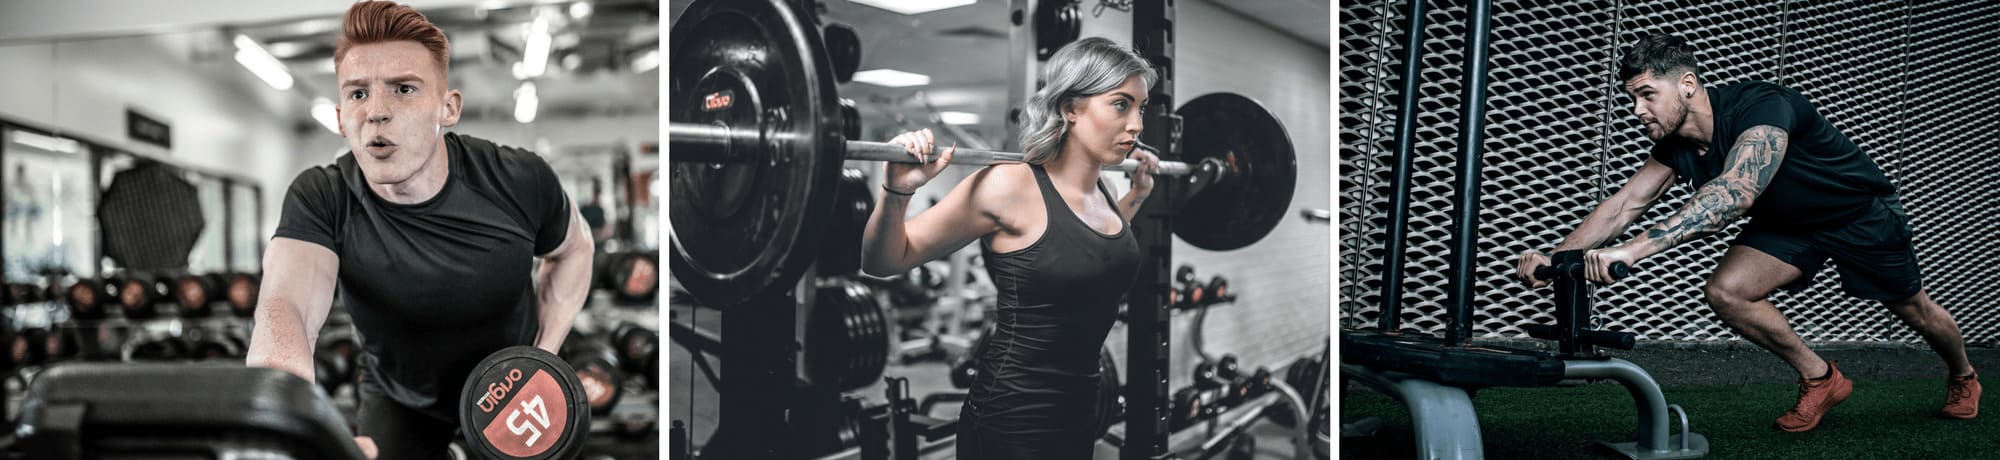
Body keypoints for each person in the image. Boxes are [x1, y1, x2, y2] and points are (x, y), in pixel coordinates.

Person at [1515, 33, 1979, 432]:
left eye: (1647, 94)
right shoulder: (1675, 145)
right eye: (1632, 98)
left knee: (1914, 310)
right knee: (1728, 291)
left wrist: (1634, 251)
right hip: (1790, 223)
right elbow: (1623, 204)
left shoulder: (1763, 106)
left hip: (1857, 213)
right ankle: (1821, 378)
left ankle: (1963, 373)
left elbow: (1736, 192)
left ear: (1688, 85)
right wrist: (1557, 258)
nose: (1638, 110)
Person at [244, 2, 595, 457]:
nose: (376, 112)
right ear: (339, 118)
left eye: (403, 89)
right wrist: (287, 425)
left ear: (447, 108)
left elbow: (575, 249)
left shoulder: (517, 178)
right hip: (399, 400)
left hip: (514, 385)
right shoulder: (323, 197)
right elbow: (285, 308)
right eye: (357, 94)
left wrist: (544, 356)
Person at [859, 36, 1161, 459]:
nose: (1137, 125)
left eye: (1140, 107)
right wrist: (896, 192)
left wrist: (1137, 197)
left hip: (1080, 408)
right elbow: (883, 261)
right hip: (1013, 415)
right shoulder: (1007, 185)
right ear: (1070, 108)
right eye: (1121, 104)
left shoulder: (1107, 190)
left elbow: (1087, 251)